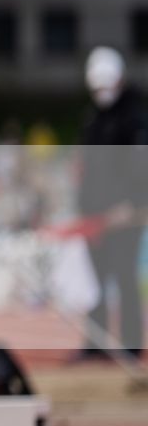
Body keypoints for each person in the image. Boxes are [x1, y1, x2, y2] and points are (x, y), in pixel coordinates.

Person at [76, 47, 146, 358]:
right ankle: (96, 343)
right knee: (93, 281)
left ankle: (131, 345)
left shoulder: (136, 119)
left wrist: (132, 204)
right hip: (95, 216)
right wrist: (84, 207)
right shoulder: (94, 120)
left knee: (124, 277)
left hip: (126, 216)